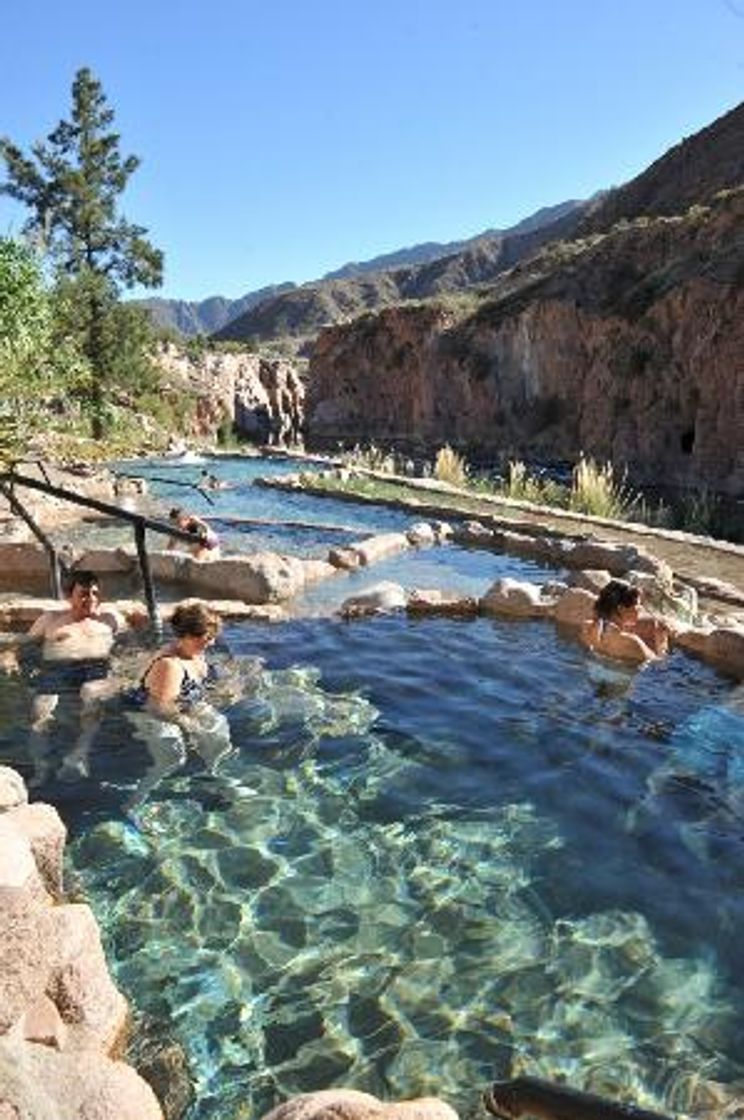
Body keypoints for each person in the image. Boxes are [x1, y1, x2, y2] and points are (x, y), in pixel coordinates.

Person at [0, 570, 147, 779]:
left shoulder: (110, 619)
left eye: (95, 593)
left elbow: (132, 646)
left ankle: (79, 754)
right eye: (85, 594)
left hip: (97, 669)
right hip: (57, 669)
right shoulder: (51, 619)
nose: (92, 599)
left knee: (91, 698)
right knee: (40, 711)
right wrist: (9, 656)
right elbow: (23, 644)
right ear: (70, 596)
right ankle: (40, 767)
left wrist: (125, 665)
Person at [123, 601, 233, 807]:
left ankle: (209, 774)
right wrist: (191, 726)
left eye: (213, 637)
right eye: (207, 637)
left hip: (182, 704)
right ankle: (134, 802)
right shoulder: (169, 665)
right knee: (173, 756)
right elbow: (159, 708)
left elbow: (199, 687)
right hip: (147, 713)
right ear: (188, 636)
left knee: (219, 730)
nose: (211, 643)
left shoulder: (195, 653)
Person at [580, 579, 673, 665]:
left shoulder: (587, 627)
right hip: (619, 681)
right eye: (637, 604)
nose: (641, 608)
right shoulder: (631, 641)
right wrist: (662, 640)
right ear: (621, 608)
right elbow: (659, 664)